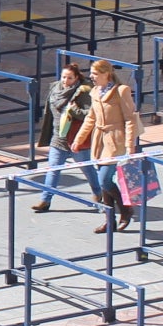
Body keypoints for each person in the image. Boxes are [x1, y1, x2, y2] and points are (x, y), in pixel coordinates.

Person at [72, 59, 142, 233]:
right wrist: (79, 140)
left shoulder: (121, 91)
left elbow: (130, 119)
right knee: (104, 183)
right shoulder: (95, 92)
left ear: (106, 74)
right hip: (100, 140)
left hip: (115, 140)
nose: (92, 77)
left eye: (95, 73)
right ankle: (109, 220)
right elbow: (91, 118)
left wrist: (130, 145)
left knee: (104, 179)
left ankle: (126, 210)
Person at [33, 61, 95, 212]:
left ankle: (99, 194)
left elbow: (91, 114)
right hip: (58, 137)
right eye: (63, 77)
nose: (65, 81)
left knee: (87, 169)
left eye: (69, 78)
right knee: (53, 169)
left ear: (76, 78)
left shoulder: (83, 91)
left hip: (76, 138)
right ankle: (45, 200)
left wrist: (75, 111)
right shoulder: (55, 88)